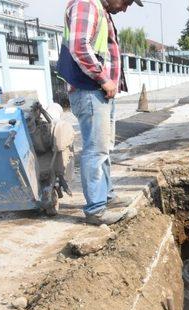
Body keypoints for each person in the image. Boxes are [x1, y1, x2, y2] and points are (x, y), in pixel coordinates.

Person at [57, 0, 143, 225]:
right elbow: (79, 46)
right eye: (126, 2)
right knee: (95, 150)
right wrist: (104, 79)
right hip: (90, 90)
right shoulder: (87, 4)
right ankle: (96, 209)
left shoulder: (100, 9)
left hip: (98, 91)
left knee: (102, 148)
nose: (124, 8)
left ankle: (106, 196)